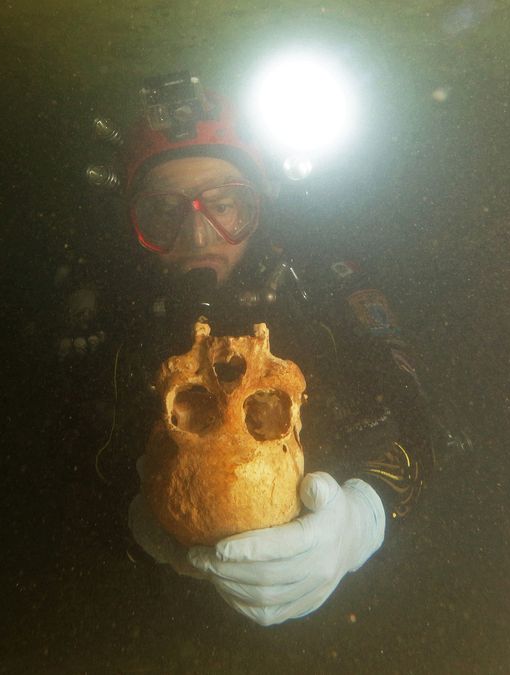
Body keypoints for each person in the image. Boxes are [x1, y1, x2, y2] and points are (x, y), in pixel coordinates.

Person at [53, 76, 467, 627]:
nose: (200, 236)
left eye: (226, 206)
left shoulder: (322, 282)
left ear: (262, 202)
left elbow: (419, 420)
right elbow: (66, 463)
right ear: (134, 223)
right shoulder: (108, 310)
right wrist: (135, 523)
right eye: (164, 214)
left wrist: (361, 518)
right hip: (157, 615)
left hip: (344, 614)